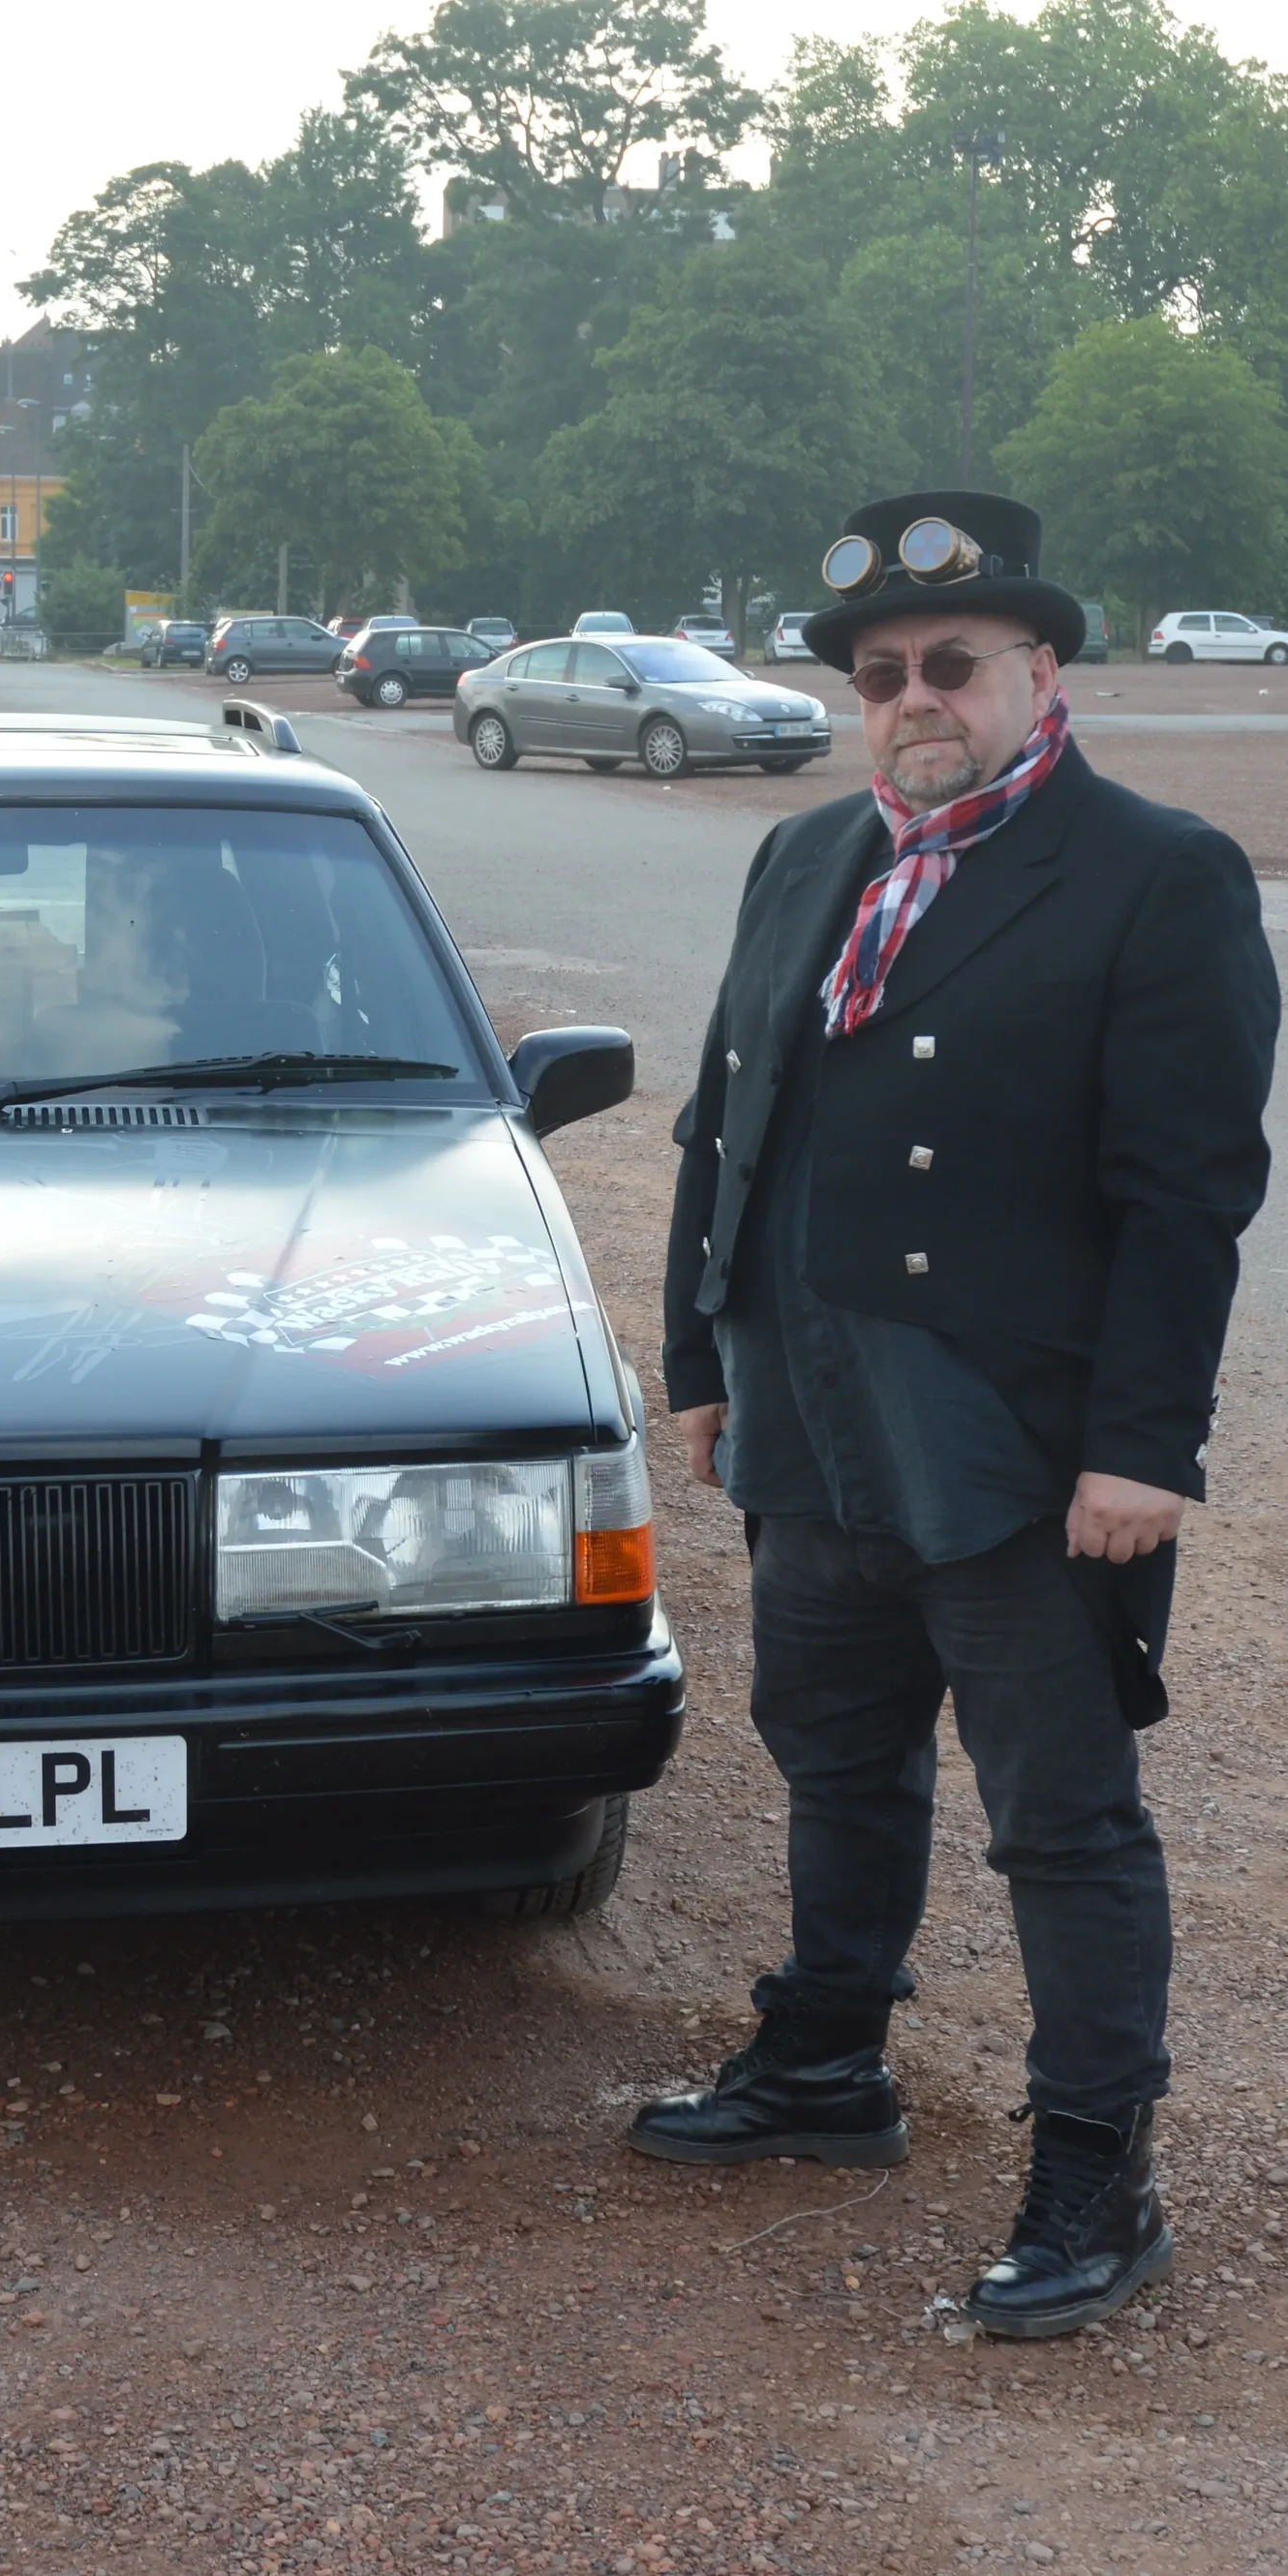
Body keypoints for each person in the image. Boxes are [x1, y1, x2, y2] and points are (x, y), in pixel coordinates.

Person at [638, 488, 1278, 2339]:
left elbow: (1186, 1196)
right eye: (884, 673)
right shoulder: (809, 851)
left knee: (1061, 1819)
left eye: (953, 664)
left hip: (1003, 1427)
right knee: (835, 1757)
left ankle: (1100, 2168)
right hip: (810, 1407)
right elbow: (725, 1116)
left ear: (1038, 672)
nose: (916, 696)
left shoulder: (1152, 874)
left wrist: (1146, 1445)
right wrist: (706, 1351)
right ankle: (828, 2063)